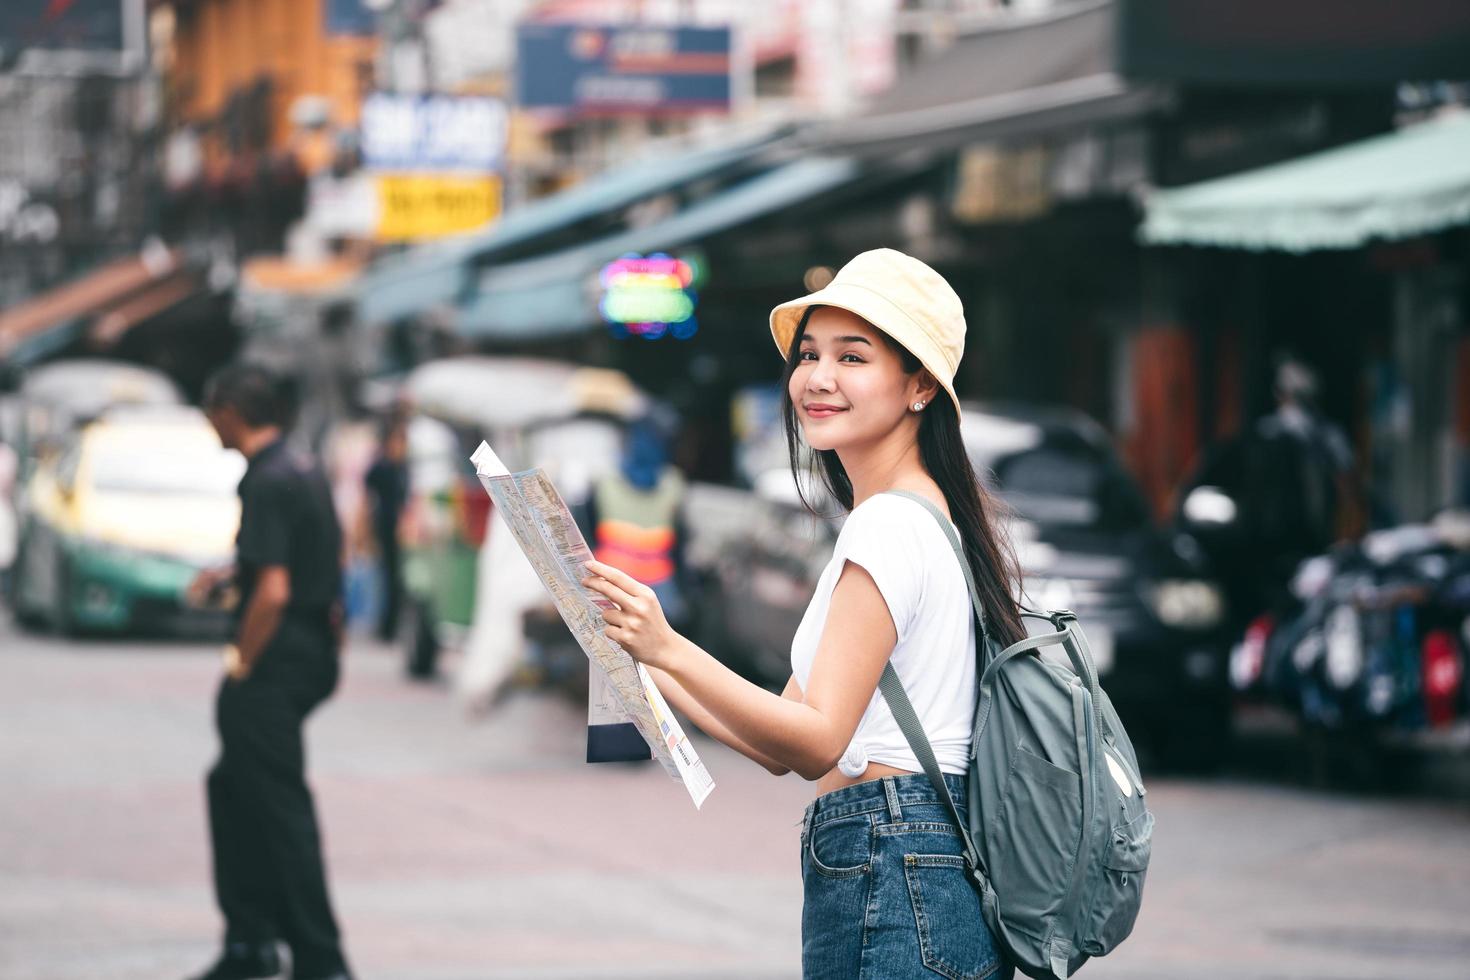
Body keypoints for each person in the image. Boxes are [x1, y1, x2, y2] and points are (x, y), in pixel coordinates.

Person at [581, 249, 1023, 979]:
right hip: (912, 866)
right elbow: (777, 742)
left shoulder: (889, 526)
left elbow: (818, 742)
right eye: (809, 353)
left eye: (854, 357)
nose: (818, 377)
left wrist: (667, 646)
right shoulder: (919, 518)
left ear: (919, 386)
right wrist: (643, 652)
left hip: (894, 866)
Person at [187, 363, 354, 980]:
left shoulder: (264, 480)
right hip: (311, 652)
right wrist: (233, 576)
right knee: (232, 787)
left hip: (277, 660)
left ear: (231, 410)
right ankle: (251, 941)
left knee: (280, 808)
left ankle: (319, 958)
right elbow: (306, 560)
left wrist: (241, 661)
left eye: (211, 410)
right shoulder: (302, 467)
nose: (210, 423)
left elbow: (276, 591)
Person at [585, 415, 690, 630]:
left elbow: (587, 531)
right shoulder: (674, 484)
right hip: (659, 593)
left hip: (611, 586)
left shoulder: (604, 482)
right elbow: (680, 544)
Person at [363, 416, 409, 643]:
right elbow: (367, 495)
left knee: (395, 578)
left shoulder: (403, 468)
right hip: (386, 527)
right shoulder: (383, 467)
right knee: (388, 577)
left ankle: (390, 625)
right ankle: (386, 625)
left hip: (400, 530)